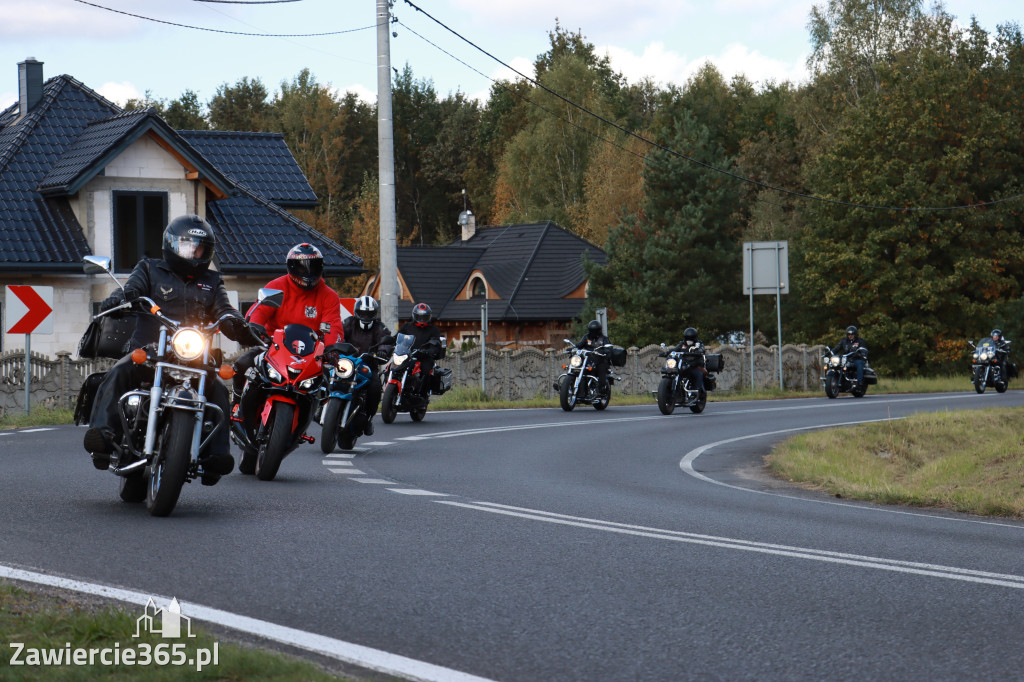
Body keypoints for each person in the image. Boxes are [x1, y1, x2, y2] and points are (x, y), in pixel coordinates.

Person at [82, 215, 258, 484]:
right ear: (172, 245)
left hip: (193, 356)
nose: (195, 252)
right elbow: (134, 288)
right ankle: (102, 434)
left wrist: (244, 327)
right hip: (150, 349)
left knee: (219, 391)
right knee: (119, 371)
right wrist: (121, 298)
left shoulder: (212, 281)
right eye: (189, 246)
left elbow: (224, 310)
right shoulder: (150, 268)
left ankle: (216, 456)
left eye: (200, 248)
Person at [232, 243, 343, 405]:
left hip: (309, 355)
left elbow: (333, 325)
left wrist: (332, 348)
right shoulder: (276, 287)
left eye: (313, 266)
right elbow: (259, 311)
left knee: (330, 382)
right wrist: (254, 327)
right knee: (242, 364)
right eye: (301, 267)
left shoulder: (329, 295)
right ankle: (236, 402)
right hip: (272, 347)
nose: (308, 272)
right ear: (291, 267)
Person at [340, 296, 391, 435]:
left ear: (374, 314)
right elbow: (339, 334)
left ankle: (368, 418)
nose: (366, 317)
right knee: (328, 376)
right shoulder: (349, 322)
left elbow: (386, 341)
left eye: (369, 314)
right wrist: (337, 345)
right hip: (348, 363)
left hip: (368, 366)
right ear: (357, 312)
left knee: (375, 388)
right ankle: (323, 406)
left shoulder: (380, 327)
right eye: (363, 313)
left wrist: (383, 351)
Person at [395, 302, 444, 397]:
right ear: (414, 316)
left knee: (426, 371)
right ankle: (390, 387)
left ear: (429, 317)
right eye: (419, 316)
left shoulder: (433, 329)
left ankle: (422, 395)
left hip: (424, 357)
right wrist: (389, 342)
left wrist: (428, 351)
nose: (422, 320)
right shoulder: (407, 326)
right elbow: (397, 337)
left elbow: (436, 344)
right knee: (393, 368)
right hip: (407, 356)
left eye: (424, 317)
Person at [575, 320, 611, 393]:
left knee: (601, 369)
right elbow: (580, 345)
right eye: (592, 331)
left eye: (595, 331)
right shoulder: (587, 337)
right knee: (577, 368)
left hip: (600, 360)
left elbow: (608, 348)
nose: (593, 333)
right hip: (588, 359)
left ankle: (602, 388)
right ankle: (567, 386)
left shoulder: (604, 338)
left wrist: (605, 351)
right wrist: (573, 348)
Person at [671, 327, 706, 392]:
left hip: (694, 365)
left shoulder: (698, 344)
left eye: (691, 338)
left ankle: (698, 391)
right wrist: (666, 352)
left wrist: (699, 351)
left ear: (695, 338)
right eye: (687, 338)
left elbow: (702, 349)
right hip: (683, 365)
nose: (689, 340)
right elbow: (675, 349)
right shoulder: (682, 344)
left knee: (698, 374)